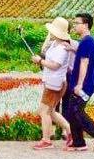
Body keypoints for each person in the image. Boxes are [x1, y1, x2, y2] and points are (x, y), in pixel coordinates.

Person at [63, 13, 94, 152]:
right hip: (80, 83)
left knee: (77, 110)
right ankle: (78, 143)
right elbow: (83, 54)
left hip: (85, 85)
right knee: (71, 111)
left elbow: (84, 62)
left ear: (86, 25)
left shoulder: (88, 41)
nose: (75, 26)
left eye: (77, 23)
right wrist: (73, 49)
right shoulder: (86, 42)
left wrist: (79, 85)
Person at [30, 17, 73, 150]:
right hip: (51, 82)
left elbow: (55, 65)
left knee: (44, 112)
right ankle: (71, 131)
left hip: (55, 84)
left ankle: (46, 140)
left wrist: (39, 61)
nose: (50, 33)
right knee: (51, 112)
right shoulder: (55, 44)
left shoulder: (62, 48)